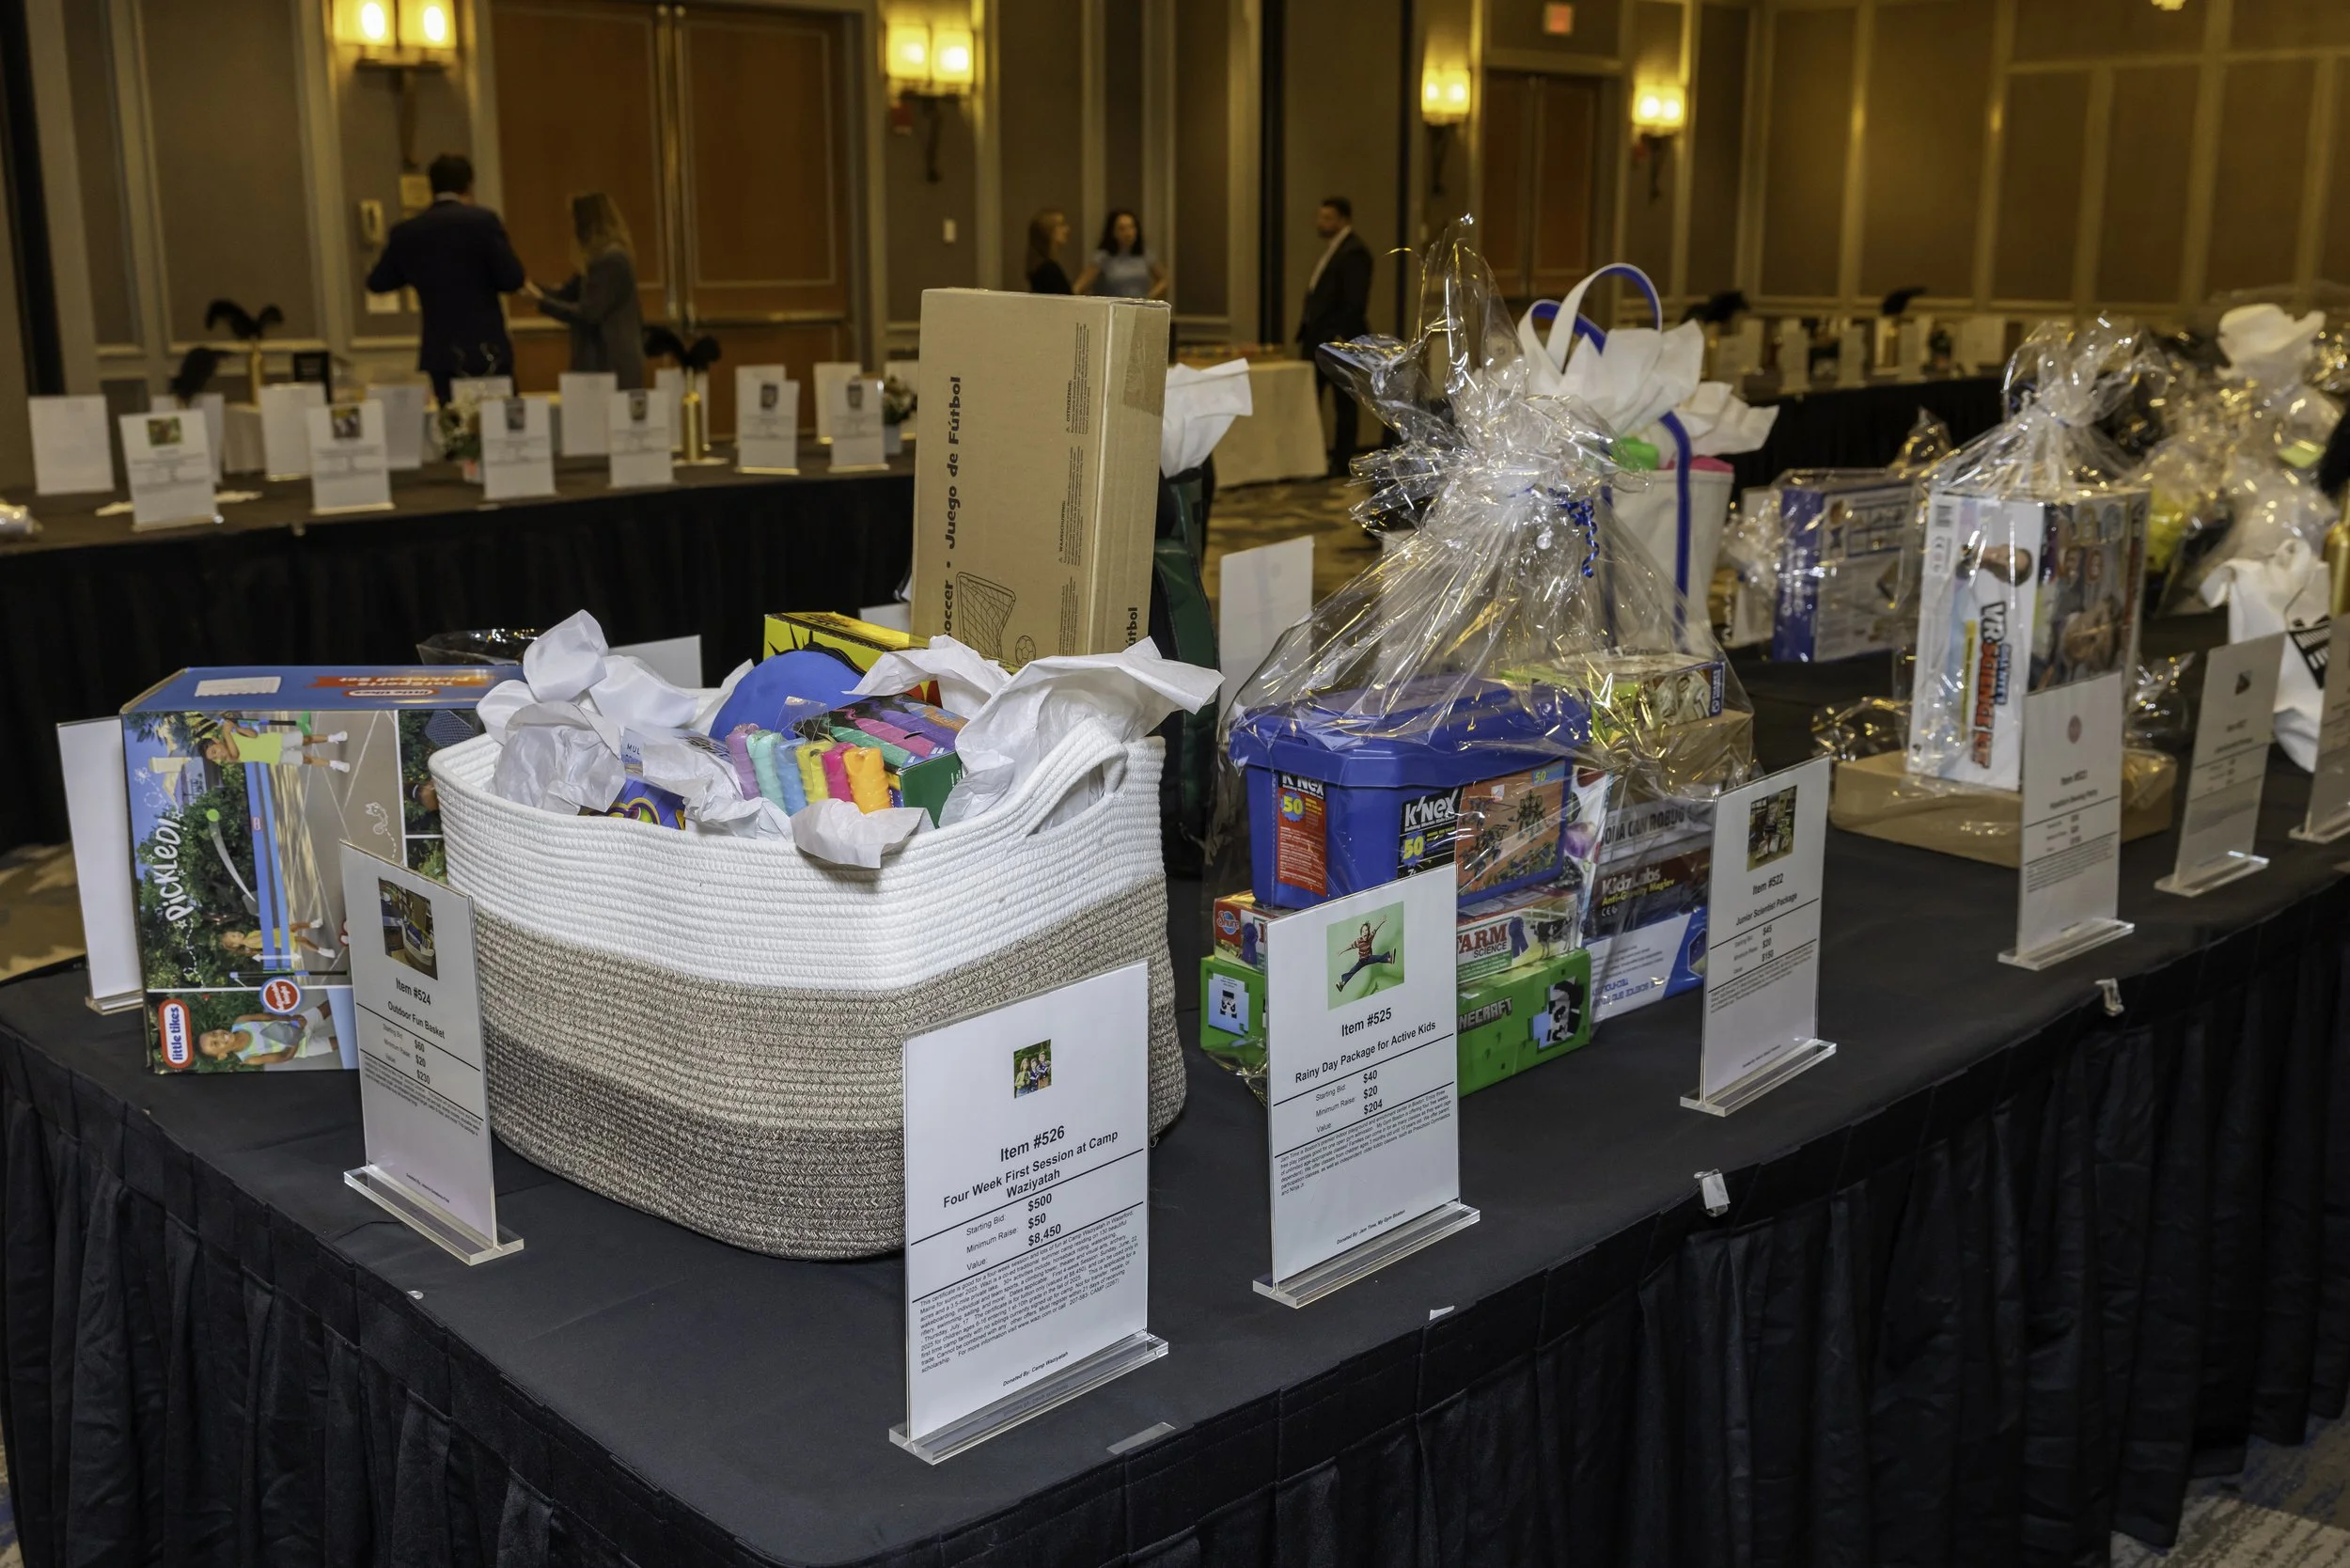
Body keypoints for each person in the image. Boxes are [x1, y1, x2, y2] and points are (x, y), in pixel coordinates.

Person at [365, 153, 528, 402]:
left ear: (431, 187)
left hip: (440, 350)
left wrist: (417, 270)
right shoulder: (483, 222)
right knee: (499, 428)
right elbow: (512, 279)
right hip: (486, 346)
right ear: (469, 185)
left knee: (453, 429)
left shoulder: (407, 232)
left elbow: (378, 282)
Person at [532, 192, 647, 389]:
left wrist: (540, 300)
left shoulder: (610, 261)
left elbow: (588, 313)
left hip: (608, 366)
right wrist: (529, 288)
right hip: (606, 366)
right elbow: (567, 293)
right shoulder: (604, 258)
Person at [1296, 196, 1373, 475]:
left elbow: (1354, 303)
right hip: (1319, 338)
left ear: (1343, 220)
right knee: (1312, 400)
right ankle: (1315, 458)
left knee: (1344, 402)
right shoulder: (1334, 249)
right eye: (1321, 217)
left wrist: (1335, 334)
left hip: (1338, 340)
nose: (1321, 223)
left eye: (1328, 218)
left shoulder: (1354, 252)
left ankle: (1342, 461)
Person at [1073, 210, 1167, 300]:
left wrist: (1148, 298)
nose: (1128, 233)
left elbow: (1164, 279)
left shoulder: (1145, 254)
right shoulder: (1103, 257)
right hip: (1113, 310)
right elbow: (1078, 287)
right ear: (1113, 232)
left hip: (1139, 309)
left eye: (1132, 227)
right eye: (1122, 229)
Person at [1026, 209, 1074, 294]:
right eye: (1061, 225)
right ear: (1048, 231)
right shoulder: (1049, 270)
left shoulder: (1042, 267)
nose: (1067, 229)